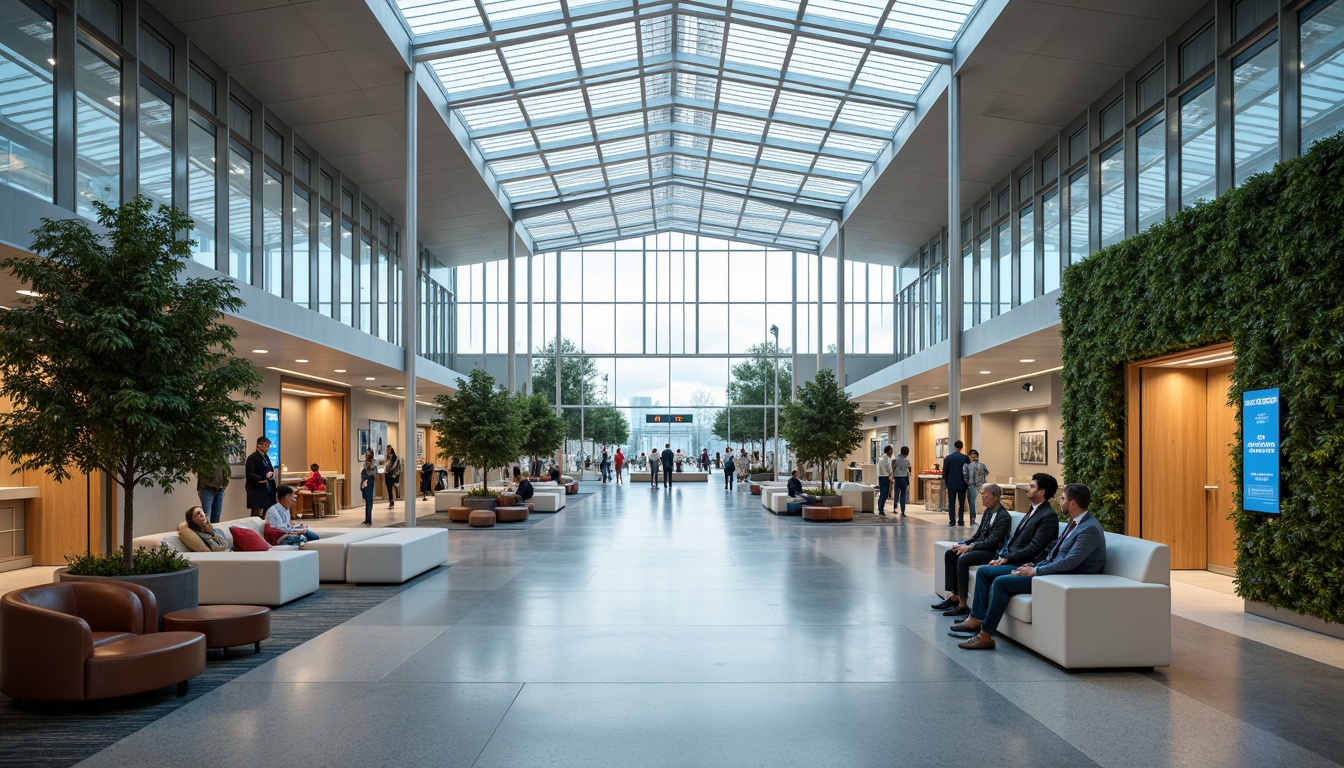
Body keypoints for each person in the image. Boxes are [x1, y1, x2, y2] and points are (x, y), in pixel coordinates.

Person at [952, 483, 1106, 651]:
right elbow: (1055, 554)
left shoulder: (1089, 528)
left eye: (1063, 499)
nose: (1059, 502)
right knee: (996, 576)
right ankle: (980, 626)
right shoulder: (1075, 523)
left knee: (1001, 583)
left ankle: (985, 636)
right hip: (1053, 573)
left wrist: (1036, 571)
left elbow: (1069, 563)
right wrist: (1034, 565)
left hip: (1065, 578)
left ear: (1073, 503)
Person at [931, 484, 1012, 617]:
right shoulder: (988, 512)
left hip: (992, 551)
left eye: (985, 496)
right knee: (951, 553)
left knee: (963, 559)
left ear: (995, 497)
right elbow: (978, 535)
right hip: (981, 546)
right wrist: (964, 544)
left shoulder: (1003, 516)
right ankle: (955, 595)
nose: (983, 498)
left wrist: (970, 547)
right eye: (982, 495)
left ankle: (962, 604)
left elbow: (993, 541)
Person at [244, 436, 277, 518]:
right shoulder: (252, 458)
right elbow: (250, 474)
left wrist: (270, 474)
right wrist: (262, 478)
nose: (267, 448)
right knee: (257, 514)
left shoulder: (266, 457)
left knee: (266, 514)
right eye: (265, 446)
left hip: (267, 489)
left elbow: (270, 469)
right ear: (259, 445)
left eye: (268, 446)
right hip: (257, 489)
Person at [942, 439, 971, 526]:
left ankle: (952, 520)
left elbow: (945, 472)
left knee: (951, 503)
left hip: (951, 483)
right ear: (962, 447)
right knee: (961, 502)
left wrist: (945, 483)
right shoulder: (965, 458)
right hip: (962, 484)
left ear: (954, 446)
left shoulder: (948, 458)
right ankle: (961, 520)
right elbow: (968, 471)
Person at [196, 460, 230, 524]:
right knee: (206, 517)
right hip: (206, 488)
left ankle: (214, 533)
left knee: (216, 517)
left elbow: (226, 471)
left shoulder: (222, 456)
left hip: (220, 489)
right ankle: (206, 533)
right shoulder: (207, 454)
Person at [963, 449, 989, 525]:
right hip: (981, 485)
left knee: (972, 502)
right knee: (984, 500)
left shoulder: (967, 466)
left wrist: (968, 482)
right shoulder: (982, 465)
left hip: (972, 485)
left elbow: (965, 476)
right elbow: (987, 472)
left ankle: (973, 517)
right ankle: (985, 517)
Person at [892, 446, 911, 517]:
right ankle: (903, 511)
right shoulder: (907, 461)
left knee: (896, 493)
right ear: (907, 453)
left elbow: (893, 468)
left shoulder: (895, 459)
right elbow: (909, 470)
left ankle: (895, 508)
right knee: (903, 495)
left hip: (897, 478)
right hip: (904, 479)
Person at [359, 455, 378, 526]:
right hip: (365, 486)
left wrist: (371, 469)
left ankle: (368, 520)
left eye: (368, 462)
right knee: (367, 503)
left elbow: (371, 474)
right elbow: (363, 475)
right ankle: (367, 519)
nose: (367, 463)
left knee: (369, 503)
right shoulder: (365, 468)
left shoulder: (373, 468)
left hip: (369, 486)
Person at [876, 445, 893, 517]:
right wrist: (890, 473)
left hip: (880, 477)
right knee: (885, 494)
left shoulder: (881, 458)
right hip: (885, 477)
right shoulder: (886, 458)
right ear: (889, 451)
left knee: (882, 493)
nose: (892, 453)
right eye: (891, 451)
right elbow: (887, 467)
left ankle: (880, 506)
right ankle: (881, 509)